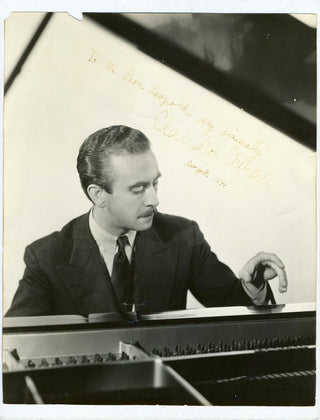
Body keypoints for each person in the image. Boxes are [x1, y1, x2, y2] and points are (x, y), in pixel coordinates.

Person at [5, 125, 287, 317]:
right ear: (98, 194)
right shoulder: (46, 256)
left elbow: (232, 309)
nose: (154, 200)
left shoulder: (183, 236)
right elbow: (13, 345)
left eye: (155, 184)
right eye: (138, 189)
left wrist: (254, 286)